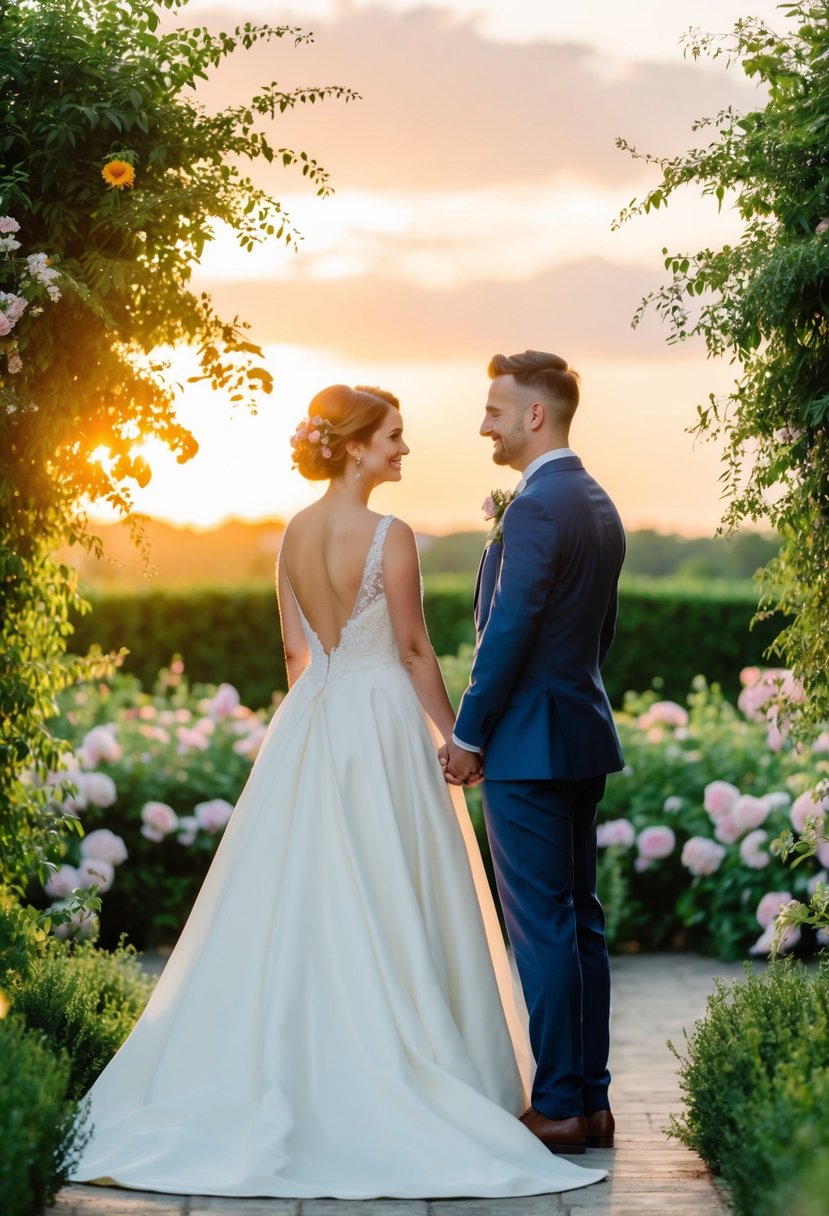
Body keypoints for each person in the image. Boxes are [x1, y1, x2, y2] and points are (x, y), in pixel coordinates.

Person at [70, 383, 606, 1199]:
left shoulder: (290, 533)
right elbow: (415, 648)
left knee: (300, 891)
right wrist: (456, 740)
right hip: (380, 722)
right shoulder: (390, 534)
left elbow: (294, 657)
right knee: (393, 889)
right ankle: (405, 1058)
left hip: (310, 722)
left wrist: (316, 712)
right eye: (392, 436)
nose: (402, 448)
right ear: (353, 447)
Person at [443, 351, 625, 1156]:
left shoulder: (536, 509)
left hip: (525, 748)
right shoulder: (596, 500)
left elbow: (505, 633)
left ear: (534, 416)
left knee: (542, 928)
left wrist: (469, 733)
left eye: (494, 409)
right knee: (579, 922)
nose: (484, 423)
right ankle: (590, 1102)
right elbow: (600, 634)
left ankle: (554, 1105)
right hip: (581, 732)